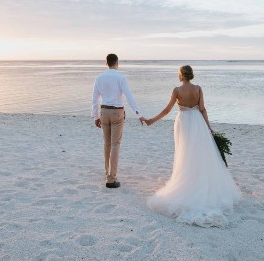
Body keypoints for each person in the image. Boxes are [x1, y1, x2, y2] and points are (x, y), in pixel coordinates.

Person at [144, 65, 241, 227]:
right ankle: (198, 180)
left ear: (181, 75)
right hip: (197, 121)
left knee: (185, 153)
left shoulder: (177, 90)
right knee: (199, 153)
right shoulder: (198, 89)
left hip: (183, 121)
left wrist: (152, 120)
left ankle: (188, 180)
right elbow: (202, 109)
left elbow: (168, 109)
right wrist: (209, 128)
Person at [91, 54, 147, 188]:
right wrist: (139, 114)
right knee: (115, 144)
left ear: (106, 63)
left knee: (107, 143)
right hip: (117, 112)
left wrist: (95, 116)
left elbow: (94, 99)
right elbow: (129, 97)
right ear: (117, 63)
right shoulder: (121, 77)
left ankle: (107, 173)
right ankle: (111, 178)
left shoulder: (99, 78)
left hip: (104, 112)